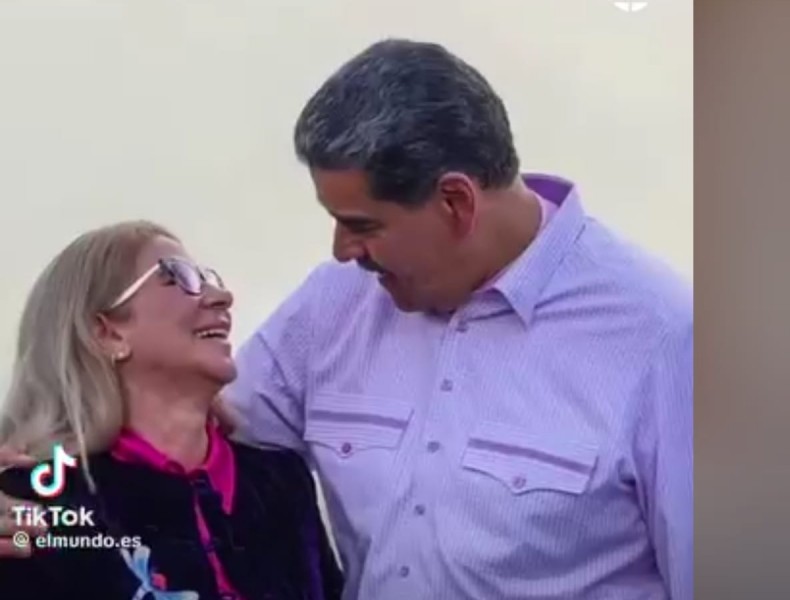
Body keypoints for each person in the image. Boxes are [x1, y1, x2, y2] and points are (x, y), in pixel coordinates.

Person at [1, 37, 692, 599]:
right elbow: (163, 439)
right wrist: (24, 483)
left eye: (361, 225)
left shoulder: (666, 340)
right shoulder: (334, 306)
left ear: (455, 202)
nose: (341, 251)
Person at [0, 221, 343, 599]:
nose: (222, 297)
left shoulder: (283, 483)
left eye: (208, 279)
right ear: (108, 333)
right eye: (178, 277)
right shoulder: (34, 500)